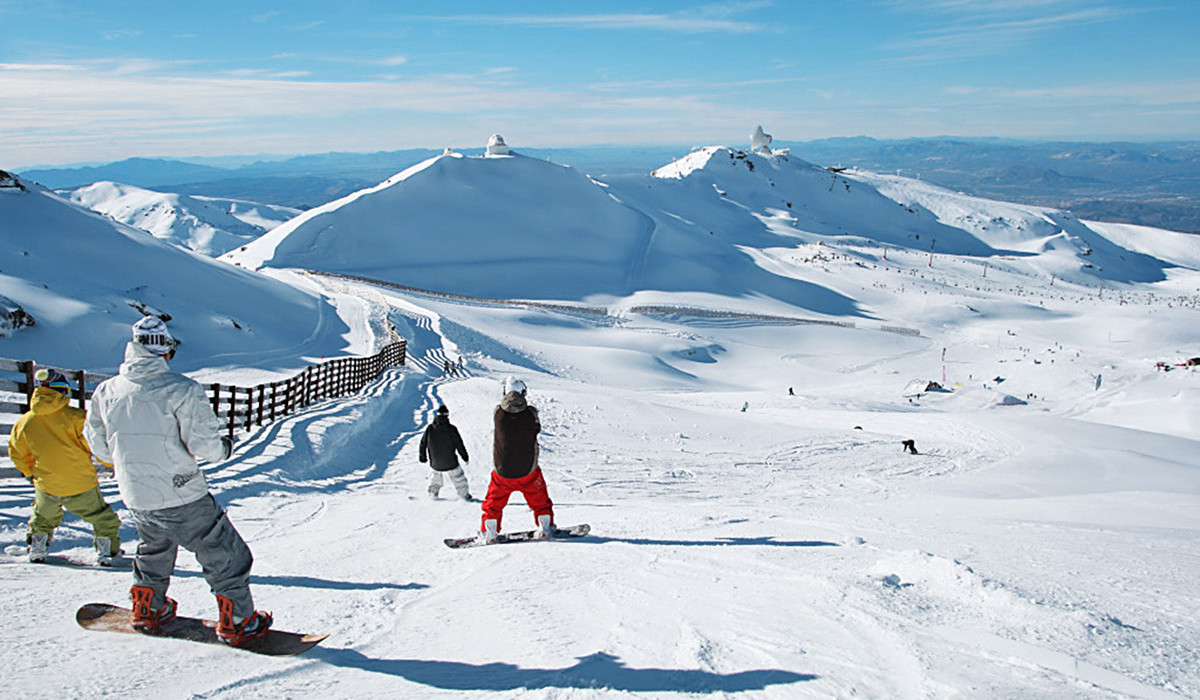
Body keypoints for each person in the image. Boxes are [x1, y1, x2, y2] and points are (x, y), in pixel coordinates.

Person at [83, 316, 271, 646]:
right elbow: (204, 446)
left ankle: (147, 607)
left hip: (136, 494)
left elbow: (99, 446)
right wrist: (224, 448)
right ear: (165, 351)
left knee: (154, 547)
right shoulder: (181, 390)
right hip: (181, 491)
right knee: (226, 553)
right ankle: (238, 620)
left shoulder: (106, 391)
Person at [8, 368, 122, 565]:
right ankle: (106, 551)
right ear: (63, 391)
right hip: (80, 483)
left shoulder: (25, 422)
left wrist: (30, 473)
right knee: (101, 517)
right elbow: (96, 445)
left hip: (46, 484)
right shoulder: (78, 418)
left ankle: (37, 547)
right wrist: (111, 464)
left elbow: (17, 452)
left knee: (42, 517)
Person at [479, 376, 555, 542]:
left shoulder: (497, 413)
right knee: (540, 499)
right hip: (528, 470)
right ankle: (545, 526)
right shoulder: (531, 413)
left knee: (493, 502)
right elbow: (537, 428)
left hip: (502, 470)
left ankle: (489, 530)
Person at [418, 405, 472, 500]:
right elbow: (459, 444)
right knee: (458, 478)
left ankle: (433, 494)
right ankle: (464, 495)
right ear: (447, 415)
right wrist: (465, 457)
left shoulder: (430, 429)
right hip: (450, 462)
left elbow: (423, 443)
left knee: (435, 478)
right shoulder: (451, 429)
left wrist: (423, 457)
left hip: (435, 463)